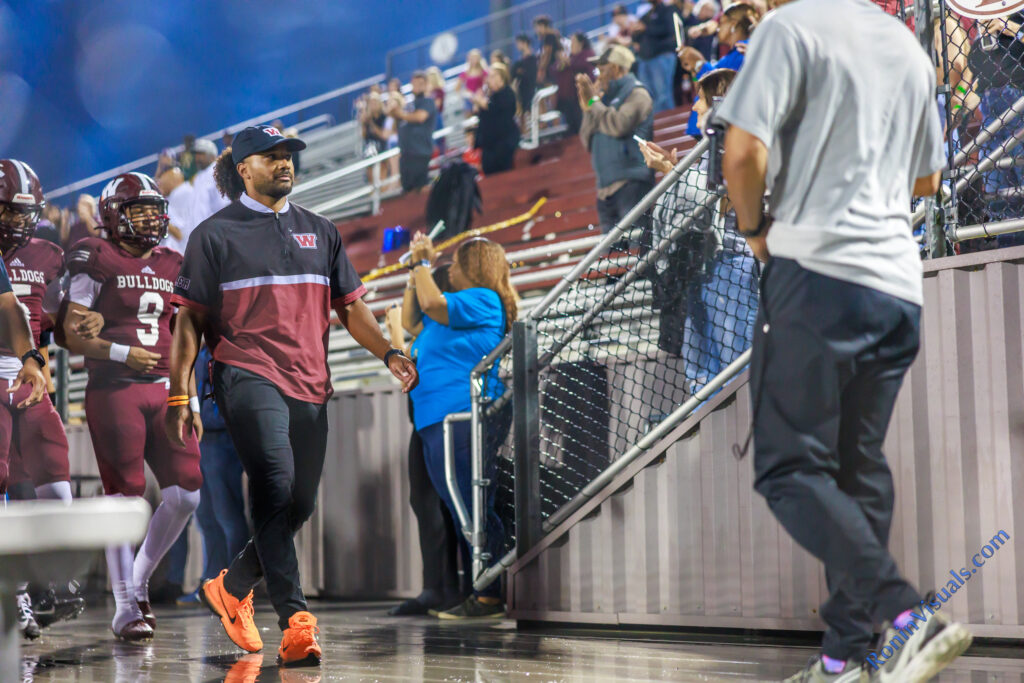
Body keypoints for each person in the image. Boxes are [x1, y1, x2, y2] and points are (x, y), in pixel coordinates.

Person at [716, 1, 972, 680]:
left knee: (787, 465)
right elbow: (927, 180)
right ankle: (844, 659)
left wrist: (754, 231)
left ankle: (908, 615)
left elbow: (741, 152)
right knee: (857, 468)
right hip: (895, 286)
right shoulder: (908, 49)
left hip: (816, 270)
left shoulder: (789, 30)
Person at [167, 125, 417, 666]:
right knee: (276, 488)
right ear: (243, 168)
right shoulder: (212, 235)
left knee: (299, 503)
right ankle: (296, 624)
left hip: (311, 383)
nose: (284, 164)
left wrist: (388, 353)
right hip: (244, 374)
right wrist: (178, 394)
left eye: (288, 157)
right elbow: (189, 322)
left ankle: (231, 586)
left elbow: (350, 307)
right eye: (271, 157)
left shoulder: (321, 230)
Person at [61, 171, 203, 642]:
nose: (149, 218)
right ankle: (124, 606)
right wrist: (119, 350)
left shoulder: (173, 260)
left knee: (186, 494)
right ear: (112, 216)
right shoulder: (92, 254)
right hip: (115, 386)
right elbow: (70, 330)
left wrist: (190, 395)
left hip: (164, 387)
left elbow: (184, 335)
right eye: (137, 209)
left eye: (153, 209)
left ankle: (138, 580)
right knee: (125, 495)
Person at [403, 235, 516, 619]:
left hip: (462, 416)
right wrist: (412, 272)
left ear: (475, 267)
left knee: (473, 507)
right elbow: (410, 319)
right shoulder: (451, 315)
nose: (448, 269)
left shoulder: (483, 299)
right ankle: (483, 590)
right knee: (460, 508)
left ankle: (489, 594)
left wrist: (421, 264)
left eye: (455, 264)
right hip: (437, 420)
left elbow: (431, 302)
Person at [0, 159, 73, 641]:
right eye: (8, 211)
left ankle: (43, 579)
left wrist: (34, 354)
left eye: (23, 213)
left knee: (53, 467)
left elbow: (21, 310)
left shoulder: (49, 254)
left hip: (21, 371)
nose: (16, 222)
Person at [385, 265, 466, 616]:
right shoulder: (431, 327)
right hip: (424, 421)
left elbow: (415, 372)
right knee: (426, 504)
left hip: (441, 419)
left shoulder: (448, 320)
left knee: (443, 507)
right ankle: (437, 586)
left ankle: (451, 588)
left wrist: (395, 341)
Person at [175, 343, 249, 605]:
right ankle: (211, 583)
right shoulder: (194, 346)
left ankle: (237, 586)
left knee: (227, 514)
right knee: (205, 516)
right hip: (200, 438)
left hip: (222, 437)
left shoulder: (226, 346)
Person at [577, 45, 655, 233]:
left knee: (637, 251)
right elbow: (586, 137)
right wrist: (589, 104)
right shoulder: (603, 99)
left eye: (603, 69)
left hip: (631, 183)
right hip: (605, 190)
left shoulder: (637, 94)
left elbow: (618, 125)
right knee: (611, 259)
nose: (599, 75)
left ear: (617, 68)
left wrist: (594, 103)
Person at [679, 2, 757, 137]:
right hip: (705, 126)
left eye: (722, 23)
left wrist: (699, 62)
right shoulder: (732, 54)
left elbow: (722, 85)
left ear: (733, 25)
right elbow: (701, 87)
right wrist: (693, 69)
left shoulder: (744, 51)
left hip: (719, 128)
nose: (718, 28)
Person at [388, 72, 438, 194]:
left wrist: (400, 113)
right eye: (414, 83)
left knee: (421, 187)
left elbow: (420, 117)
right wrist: (394, 110)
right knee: (407, 188)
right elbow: (393, 119)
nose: (417, 86)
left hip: (420, 151)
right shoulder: (408, 104)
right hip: (406, 153)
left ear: (426, 85)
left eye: (420, 83)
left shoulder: (428, 102)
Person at [472, 64, 521, 175]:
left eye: (493, 76)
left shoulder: (507, 93)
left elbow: (495, 108)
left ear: (501, 78)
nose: (490, 79)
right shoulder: (492, 96)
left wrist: (481, 102)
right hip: (490, 146)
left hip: (503, 143)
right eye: (489, 76)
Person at [633, 0, 678, 113]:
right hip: (645, 59)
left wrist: (646, 28)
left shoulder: (668, 9)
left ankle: (669, 124)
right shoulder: (647, 14)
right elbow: (636, 34)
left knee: (662, 95)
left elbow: (669, 29)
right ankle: (658, 126)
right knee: (648, 96)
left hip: (661, 56)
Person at [553, 33, 597, 135]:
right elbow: (555, 69)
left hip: (585, 96)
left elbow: (583, 65)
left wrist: (568, 62)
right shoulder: (571, 57)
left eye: (573, 42)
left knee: (582, 120)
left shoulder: (588, 54)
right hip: (569, 97)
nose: (571, 44)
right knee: (571, 124)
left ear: (580, 43)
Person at [189, 138, 230, 226]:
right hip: (202, 230)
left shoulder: (218, 171)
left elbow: (224, 203)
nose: (197, 158)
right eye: (196, 155)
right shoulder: (199, 177)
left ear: (211, 155)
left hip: (218, 227)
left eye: (200, 154)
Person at [156, 166, 195, 254]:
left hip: (182, 253)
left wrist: (157, 216)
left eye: (161, 182)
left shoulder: (179, 193)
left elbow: (179, 234)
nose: (159, 184)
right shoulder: (190, 190)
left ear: (172, 180)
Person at [512, 33, 539, 126]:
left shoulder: (533, 59)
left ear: (524, 43)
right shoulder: (520, 62)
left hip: (532, 89)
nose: (517, 46)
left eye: (519, 43)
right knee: (522, 115)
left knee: (534, 112)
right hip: (522, 91)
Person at [456, 49, 489, 114]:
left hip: (480, 98)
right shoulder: (465, 73)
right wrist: (467, 94)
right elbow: (457, 87)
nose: (474, 60)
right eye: (472, 58)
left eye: (475, 58)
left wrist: (481, 92)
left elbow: (486, 84)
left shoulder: (483, 72)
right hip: (469, 100)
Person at [534, 15, 563, 85]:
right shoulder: (552, 36)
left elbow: (547, 54)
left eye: (537, 27)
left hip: (552, 69)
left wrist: (541, 70)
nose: (536, 30)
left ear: (542, 26)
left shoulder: (549, 37)